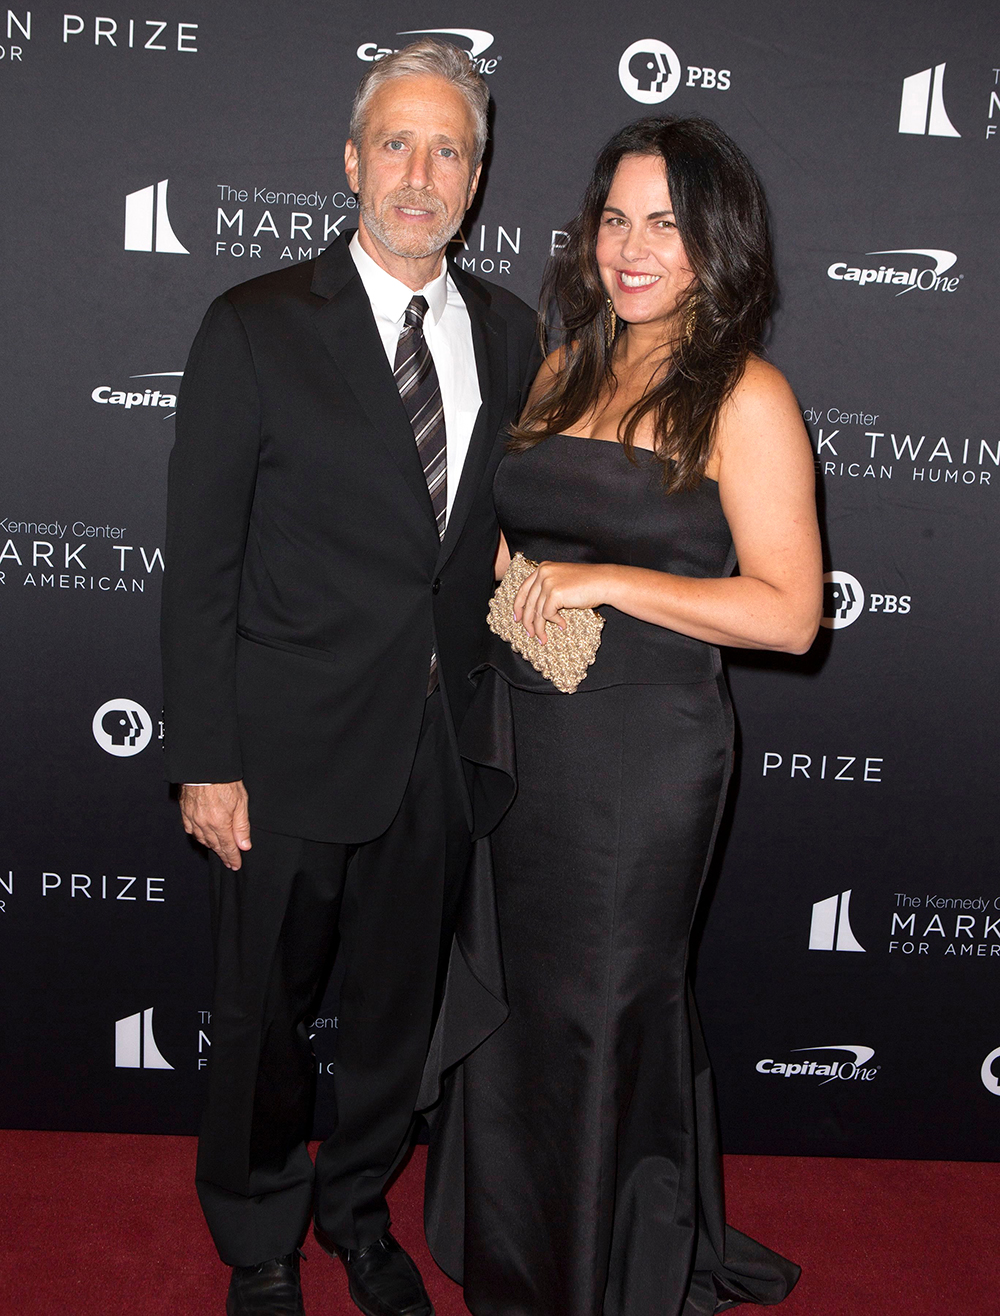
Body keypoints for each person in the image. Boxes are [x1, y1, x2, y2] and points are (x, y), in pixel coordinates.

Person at [160, 40, 538, 1316]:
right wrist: (205, 755)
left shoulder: (512, 329)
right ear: (350, 162)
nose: (419, 175)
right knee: (263, 1012)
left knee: (396, 1018)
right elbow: (199, 565)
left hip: (440, 749)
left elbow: (502, 535)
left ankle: (358, 1207)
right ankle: (260, 1230)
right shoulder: (255, 324)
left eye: (448, 150)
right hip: (283, 747)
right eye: (397, 144)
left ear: (477, 178)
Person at [423, 116, 821, 1315]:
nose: (632, 249)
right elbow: (519, 525)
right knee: (523, 1002)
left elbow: (790, 614)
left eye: (664, 224)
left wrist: (603, 580)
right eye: (614, 219)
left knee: (602, 1003)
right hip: (524, 732)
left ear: (715, 242)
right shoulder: (563, 363)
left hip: (643, 755)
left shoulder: (744, 395)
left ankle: (599, 1270)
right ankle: (518, 1238)